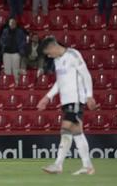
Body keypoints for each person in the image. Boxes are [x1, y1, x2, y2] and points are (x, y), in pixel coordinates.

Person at [37, 36, 96, 175]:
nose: (49, 56)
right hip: (66, 101)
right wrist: (47, 97)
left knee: (66, 128)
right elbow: (60, 82)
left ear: (52, 47)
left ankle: (58, 165)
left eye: (48, 53)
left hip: (76, 99)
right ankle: (87, 166)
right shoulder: (57, 60)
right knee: (76, 132)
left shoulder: (73, 55)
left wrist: (89, 95)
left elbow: (86, 75)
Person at [0, 18, 25, 83]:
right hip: (6, 53)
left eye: (14, 22)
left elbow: (23, 41)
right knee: (7, 70)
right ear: (9, 24)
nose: (12, 24)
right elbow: (2, 40)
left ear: (16, 24)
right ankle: (8, 83)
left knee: (16, 70)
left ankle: (16, 83)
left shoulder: (20, 32)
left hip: (16, 53)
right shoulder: (5, 31)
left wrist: (20, 50)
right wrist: (4, 47)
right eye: (11, 22)